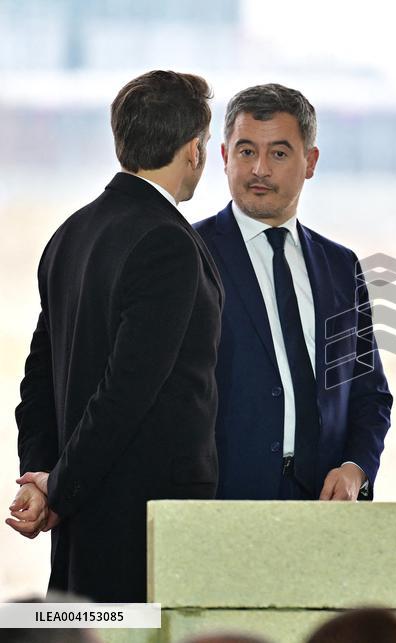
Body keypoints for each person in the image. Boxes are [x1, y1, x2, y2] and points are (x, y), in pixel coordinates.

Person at [8, 70, 221, 602]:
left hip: (81, 520)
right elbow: (126, 392)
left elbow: (37, 379)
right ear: (193, 149)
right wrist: (56, 487)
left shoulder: (71, 233)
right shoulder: (168, 242)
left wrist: (42, 474)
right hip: (146, 525)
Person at [194, 84, 392, 501]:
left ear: (310, 162)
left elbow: (369, 394)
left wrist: (356, 469)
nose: (260, 169)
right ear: (225, 156)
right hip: (218, 505)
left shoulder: (340, 267)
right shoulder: (189, 255)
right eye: (247, 151)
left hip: (323, 506)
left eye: (279, 154)